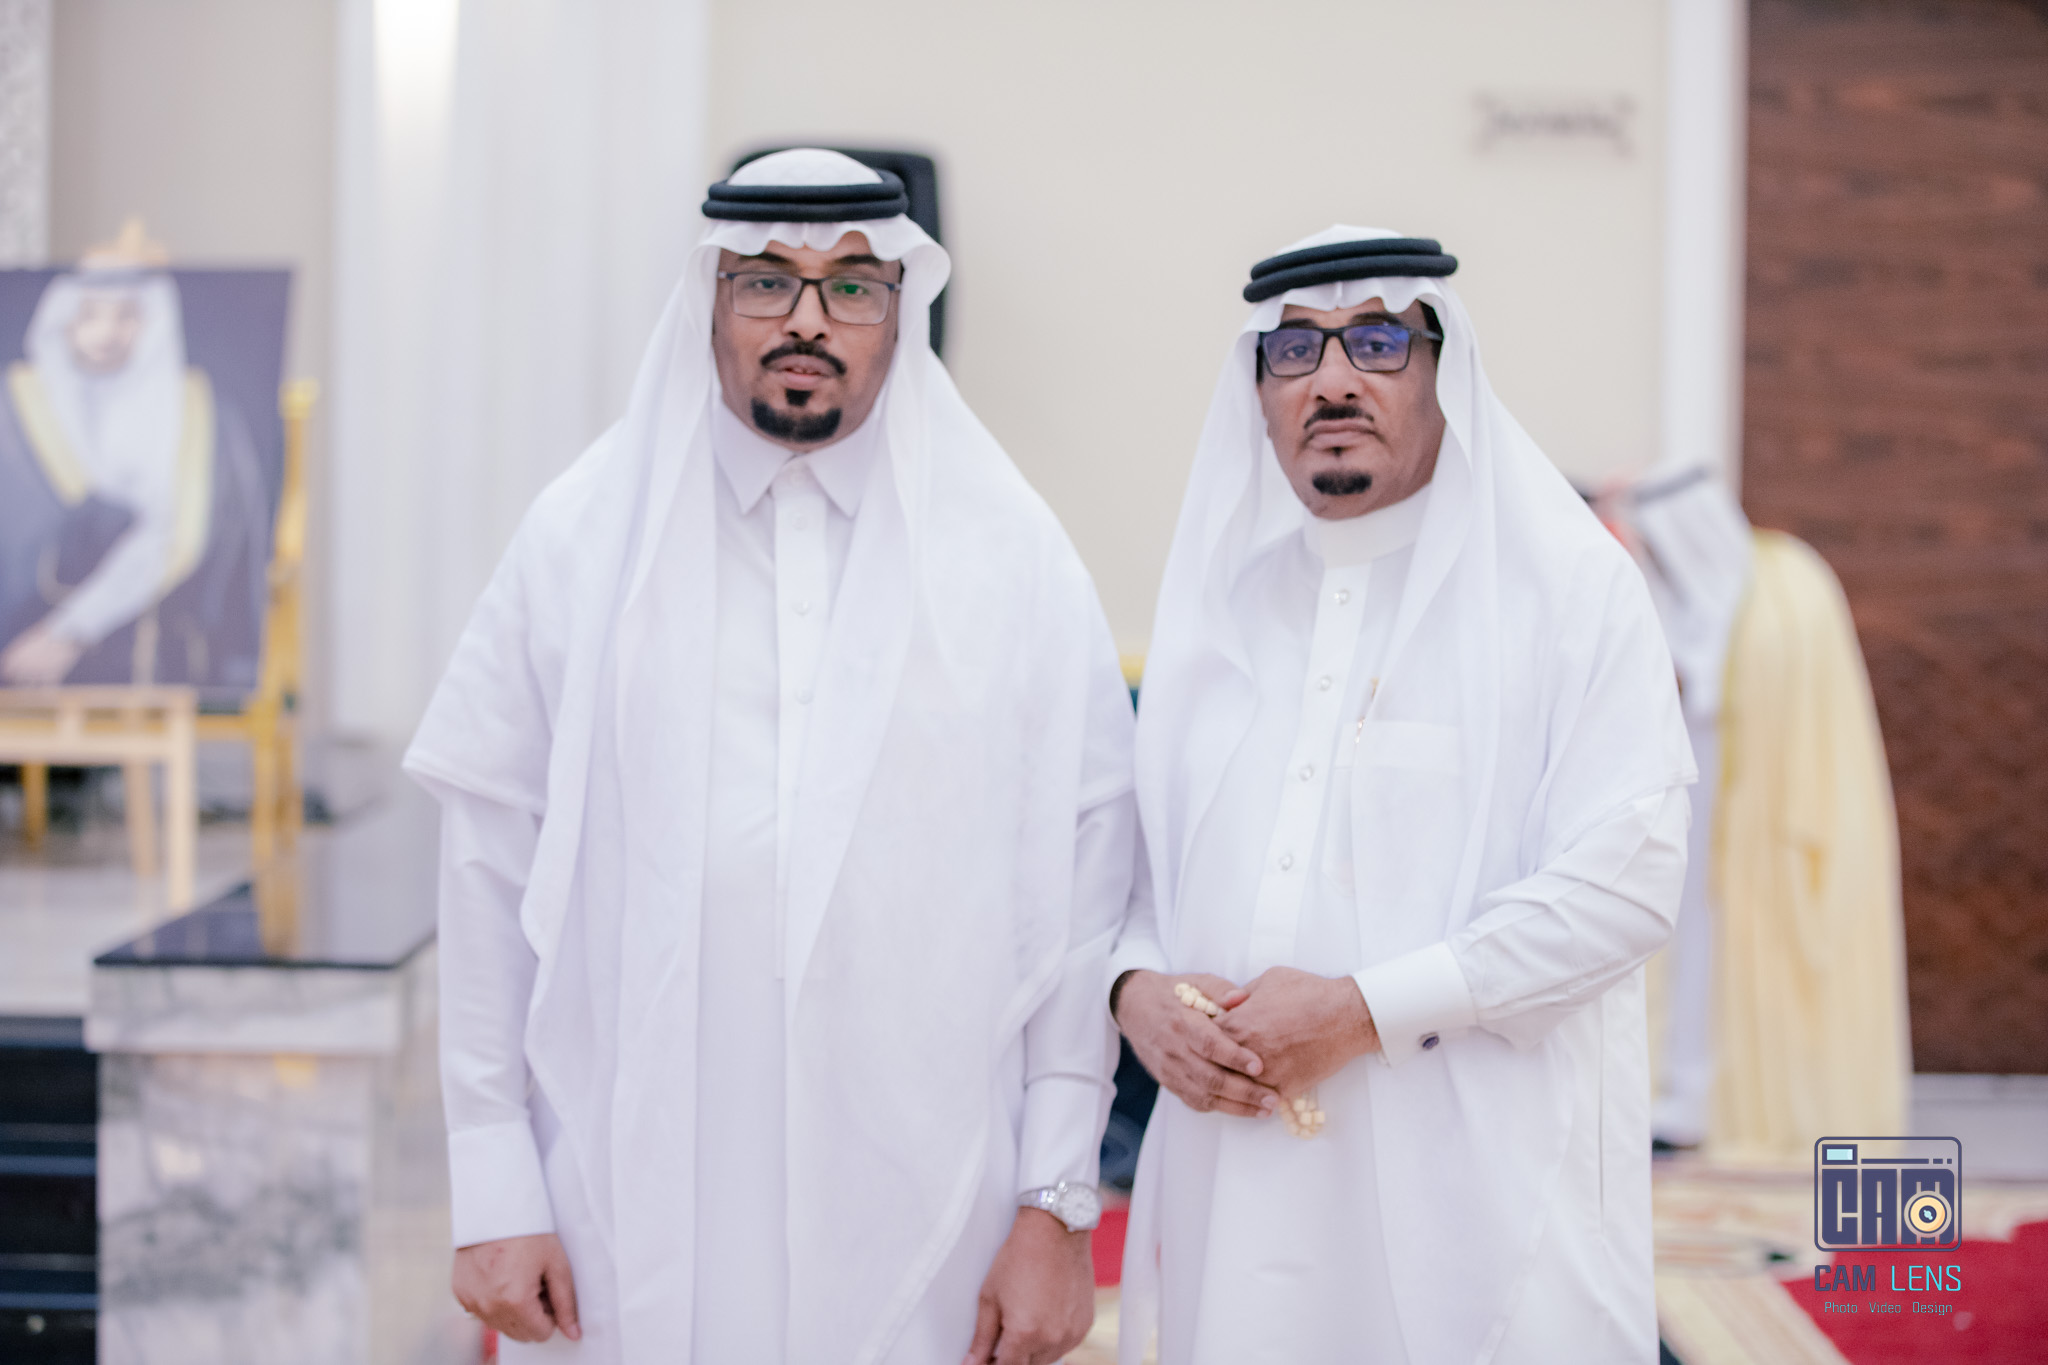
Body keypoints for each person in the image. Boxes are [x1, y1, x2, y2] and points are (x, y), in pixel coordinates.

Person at [404, 149, 1133, 1364]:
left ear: (899, 308)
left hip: (929, 1200)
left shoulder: (1009, 556)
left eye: (851, 286)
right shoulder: (581, 540)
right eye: (764, 281)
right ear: (708, 299)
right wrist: (491, 1180)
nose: (807, 319)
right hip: (627, 1189)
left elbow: (1083, 897)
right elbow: (487, 867)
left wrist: (1055, 1203)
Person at [1109, 228, 1695, 1364]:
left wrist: (1359, 1011)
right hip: (1236, 1187)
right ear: (1259, 389)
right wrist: (1135, 993)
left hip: (1477, 1194)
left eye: (1375, 343)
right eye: (1294, 350)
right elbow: (1134, 874)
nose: (1331, 379)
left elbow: (1624, 882)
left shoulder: (1566, 594)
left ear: (1443, 370)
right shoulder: (1220, 612)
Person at [0, 223, 269, 690]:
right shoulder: (16, 409)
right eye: (89, 314)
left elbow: (180, 536)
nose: (106, 332)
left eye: (126, 315)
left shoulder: (200, 415)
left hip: (158, 658)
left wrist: (69, 631)